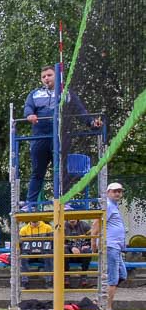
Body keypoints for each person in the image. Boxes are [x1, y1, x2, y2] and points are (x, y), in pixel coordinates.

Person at [23, 65, 102, 208]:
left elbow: (80, 111)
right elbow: (28, 107)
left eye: (49, 75)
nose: (46, 78)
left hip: (60, 137)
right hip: (40, 138)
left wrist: (91, 122)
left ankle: (64, 201)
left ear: (57, 76)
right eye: (44, 76)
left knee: (61, 170)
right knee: (37, 172)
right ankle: (31, 204)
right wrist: (29, 115)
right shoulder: (35, 94)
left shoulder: (67, 93)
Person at [92, 182, 126, 310]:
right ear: (108, 193)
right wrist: (93, 241)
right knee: (113, 278)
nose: (117, 193)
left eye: (119, 191)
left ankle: (100, 299)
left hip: (116, 247)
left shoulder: (113, 206)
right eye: (114, 191)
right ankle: (108, 308)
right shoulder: (109, 206)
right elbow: (96, 222)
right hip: (111, 246)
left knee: (122, 275)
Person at [19, 220, 53, 289]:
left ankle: (49, 281)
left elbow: (52, 243)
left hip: (43, 253)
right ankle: (24, 281)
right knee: (23, 256)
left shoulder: (48, 228)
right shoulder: (23, 230)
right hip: (29, 254)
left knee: (49, 256)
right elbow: (21, 245)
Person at [64, 218, 92, 287]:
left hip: (81, 254)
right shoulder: (63, 226)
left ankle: (84, 277)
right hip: (69, 254)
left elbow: (93, 239)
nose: (72, 219)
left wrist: (87, 245)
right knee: (63, 250)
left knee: (88, 251)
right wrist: (71, 247)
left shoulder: (85, 226)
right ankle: (66, 276)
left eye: (74, 216)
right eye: (70, 216)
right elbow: (59, 243)